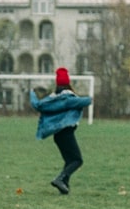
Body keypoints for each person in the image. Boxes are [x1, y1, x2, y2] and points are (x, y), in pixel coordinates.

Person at [29, 67, 92, 195]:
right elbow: (82, 101)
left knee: (69, 161)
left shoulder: (53, 99)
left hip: (58, 135)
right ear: (68, 83)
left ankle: (64, 187)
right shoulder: (68, 99)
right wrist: (91, 99)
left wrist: (32, 93)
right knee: (77, 160)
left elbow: (37, 105)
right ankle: (59, 179)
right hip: (66, 134)